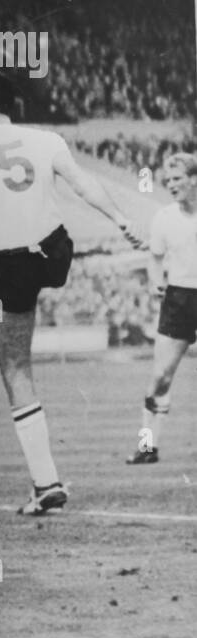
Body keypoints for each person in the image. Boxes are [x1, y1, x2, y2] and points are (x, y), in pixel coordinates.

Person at [0, 70, 142, 514]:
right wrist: (121, 219)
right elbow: (86, 184)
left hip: (6, 270)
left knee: (13, 366)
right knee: (5, 265)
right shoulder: (48, 139)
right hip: (53, 255)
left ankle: (45, 482)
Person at [125, 152, 197, 464]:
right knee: (160, 375)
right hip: (179, 299)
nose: (171, 185)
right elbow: (155, 257)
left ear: (194, 179)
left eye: (177, 179)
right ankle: (146, 445)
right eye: (167, 181)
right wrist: (156, 283)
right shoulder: (164, 217)